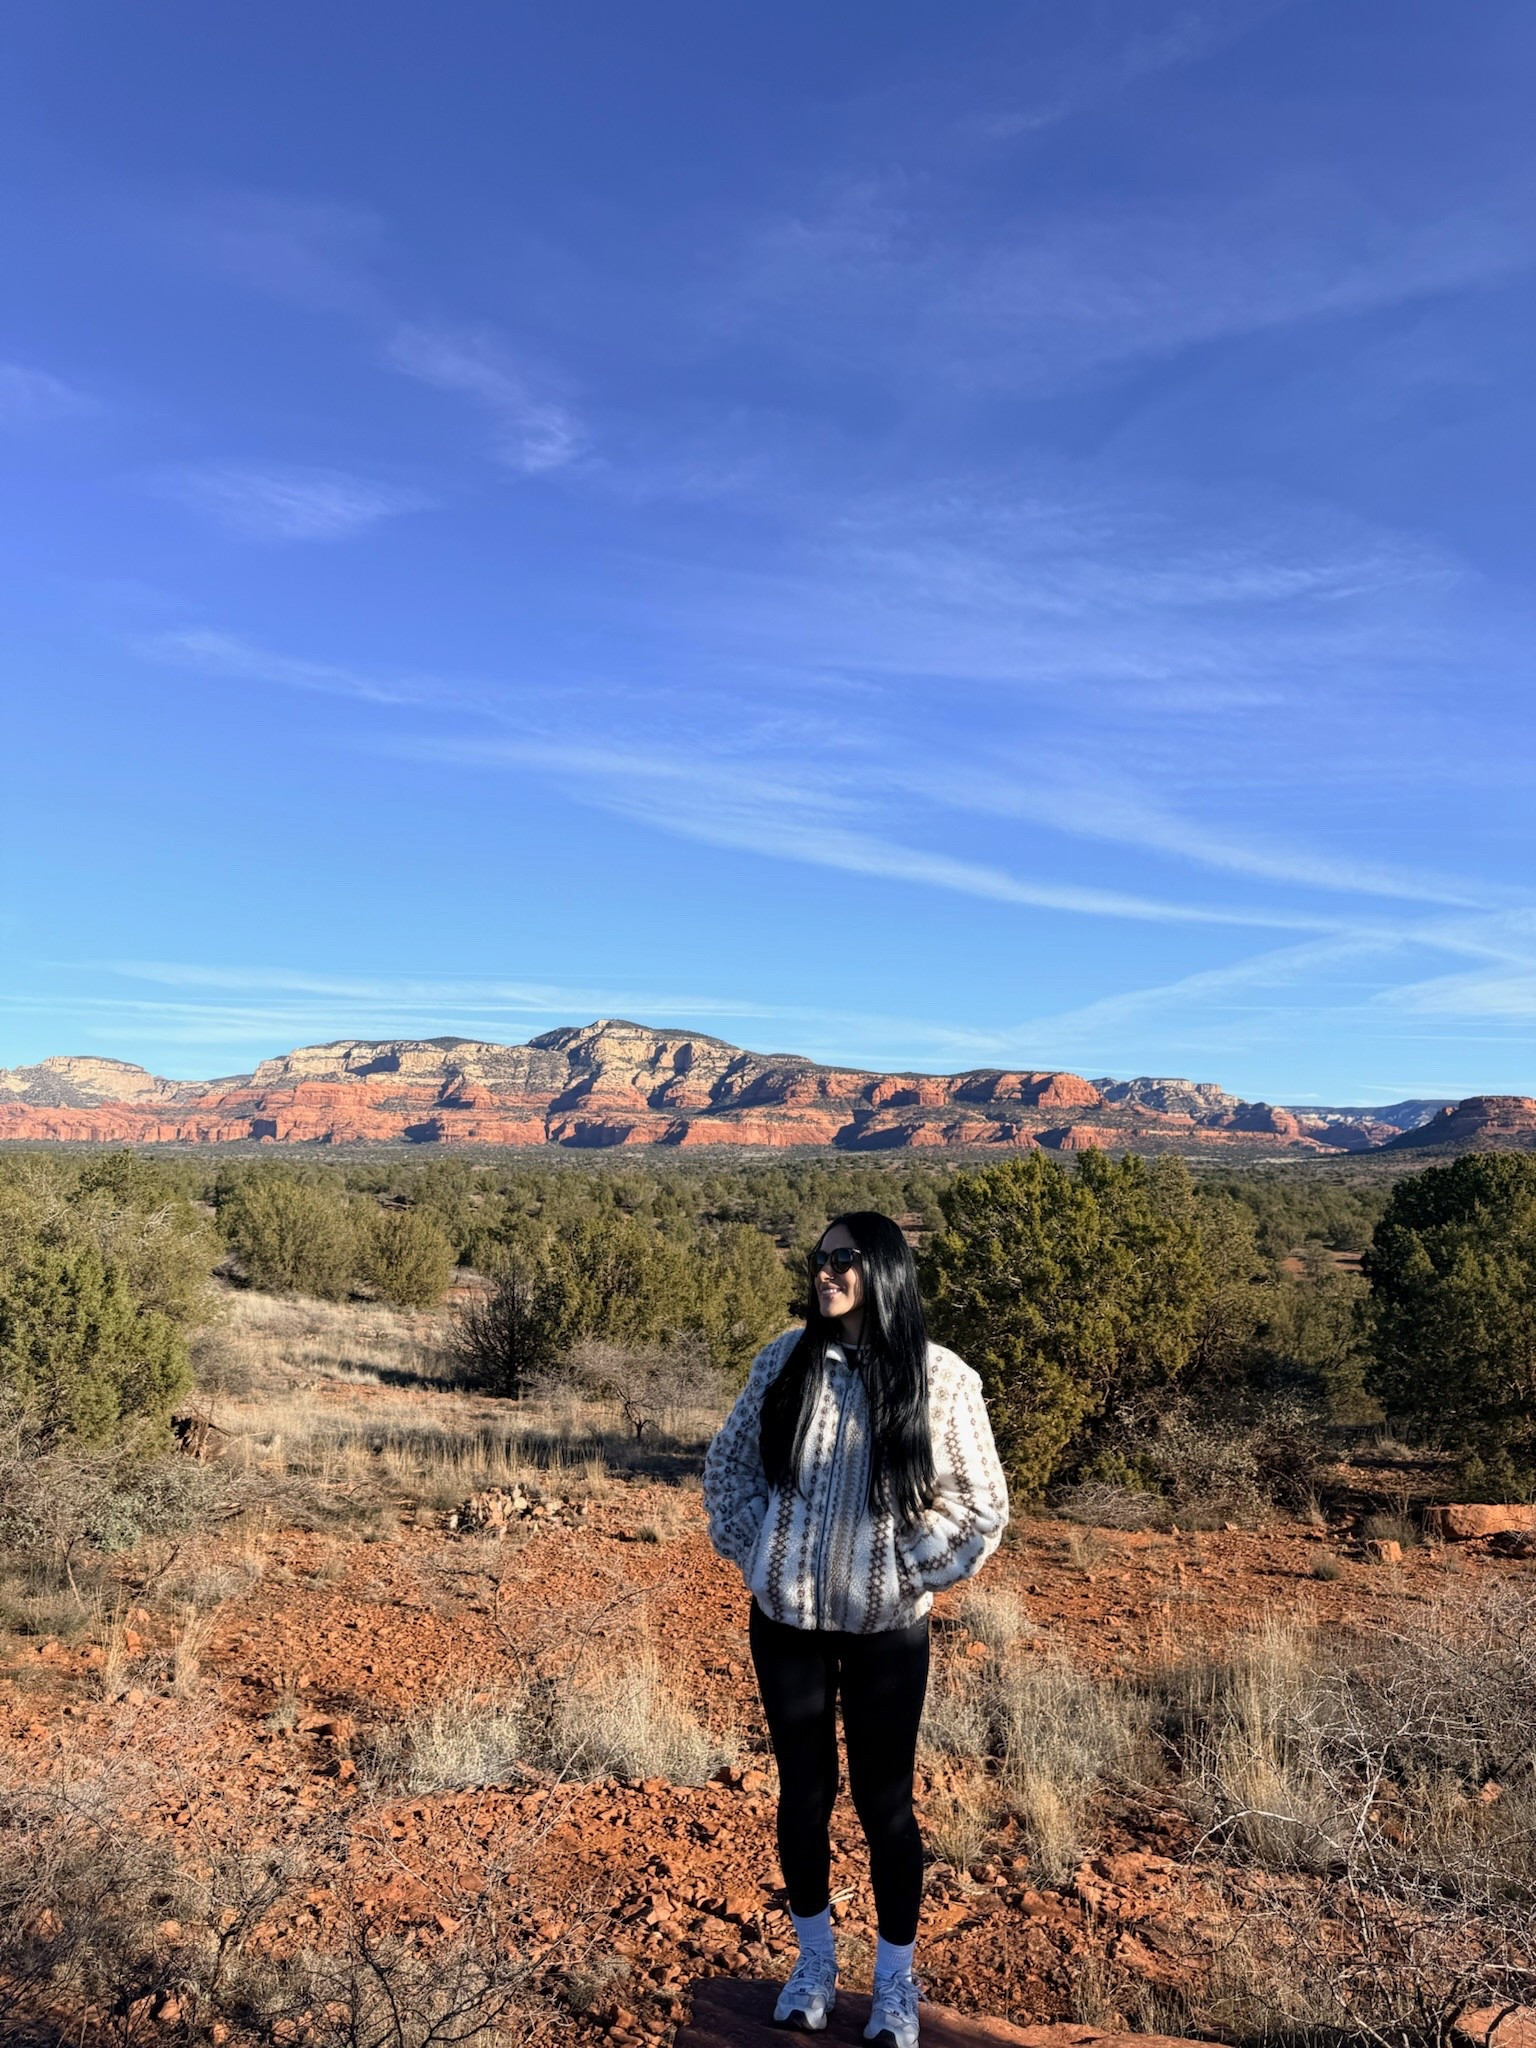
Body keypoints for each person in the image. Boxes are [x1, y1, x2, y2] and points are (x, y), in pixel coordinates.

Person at [703, 1211, 1009, 2047]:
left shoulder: (943, 1380)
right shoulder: (785, 1360)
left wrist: (907, 1564)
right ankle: (813, 1964)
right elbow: (728, 1465)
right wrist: (760, 1550)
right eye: (820, 1259)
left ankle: (896, 1984)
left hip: (887, 1635)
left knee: (886, 1807)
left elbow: (983, 1507)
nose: (827, 1272)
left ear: (884, 1269)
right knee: (803, 1797)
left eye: (846, 1259)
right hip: (788, 1624)